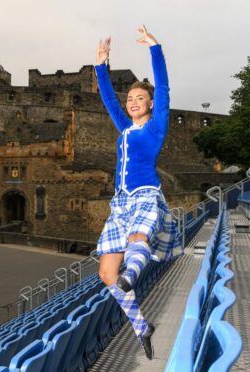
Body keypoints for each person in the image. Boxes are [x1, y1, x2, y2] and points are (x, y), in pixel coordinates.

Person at [95, 25, 179, 360]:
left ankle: (133, 274)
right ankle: (141, 327)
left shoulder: (156, 126)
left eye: (139, 98)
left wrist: (155, 49)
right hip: (120, 205)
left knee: (138, 240)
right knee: (106, 274)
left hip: (145, 195)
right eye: (129, 99)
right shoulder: (124, 126)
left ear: (150, 103)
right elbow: (107, 100)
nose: (132, 103)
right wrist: (101, 66)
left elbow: (166, 88)